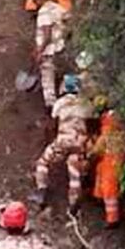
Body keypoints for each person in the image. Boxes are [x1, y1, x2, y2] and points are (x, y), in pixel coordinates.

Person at [32, 73, 94, 207]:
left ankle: (41, 190)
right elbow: (92, 119)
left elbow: (53, 120)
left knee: (43, 162)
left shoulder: (60, 103)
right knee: (74, 169)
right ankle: (74, 200)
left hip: (63, 140)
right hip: (79, 142)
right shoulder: (86, 104)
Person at [31, 0, 71, 106]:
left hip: (49, 50)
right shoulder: (58, 8)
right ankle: (72, 102)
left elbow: (47, 35)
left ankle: (51, 106)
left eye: (35, 0)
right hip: (62, 48)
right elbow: (70, 24)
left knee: (47, 77)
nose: (34, 3)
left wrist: (39, 51)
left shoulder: (44, 12)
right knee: (68, 73)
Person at [90, 110, 125, 227]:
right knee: (100, 173)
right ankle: (98, 197)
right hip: (116, 164)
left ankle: (112, 219)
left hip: (111, 165)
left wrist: (91, 153)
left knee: (109, 190)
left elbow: (97, 149)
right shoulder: (123, 134)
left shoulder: (107, 133)